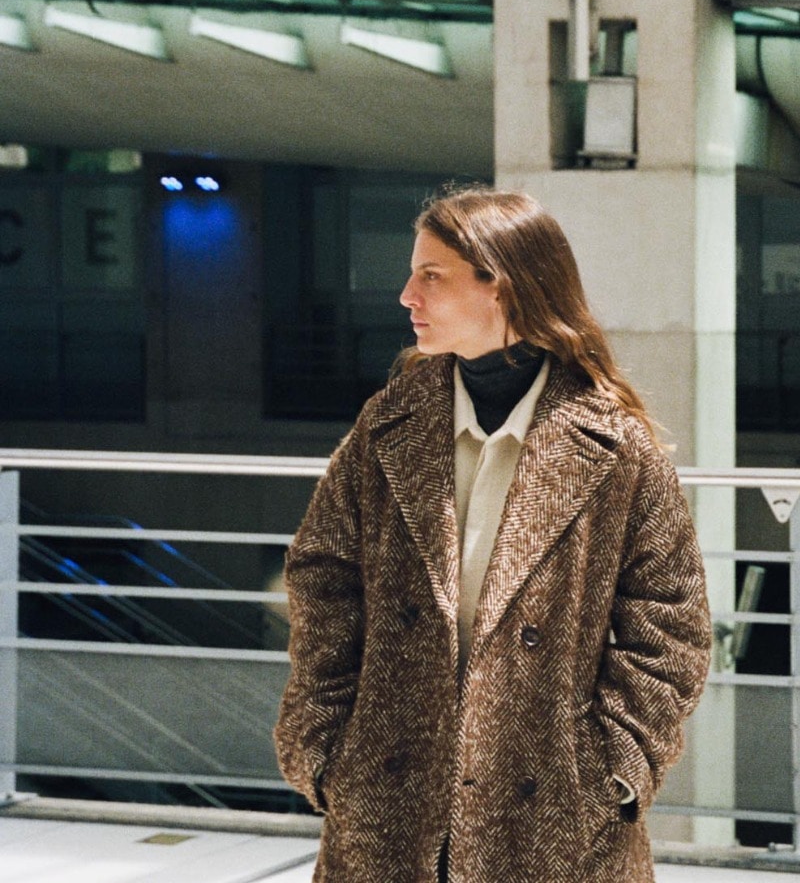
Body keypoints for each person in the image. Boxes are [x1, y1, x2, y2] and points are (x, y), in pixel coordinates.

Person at [274, 186, 712, 883]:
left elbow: (670, 622)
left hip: (558, 818)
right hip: (384, 803)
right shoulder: (387, 427)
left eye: (431, 275)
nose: (406, 295)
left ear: (499, 285)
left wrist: (617, 768)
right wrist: (323, 746)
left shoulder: (616, 448)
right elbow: (322, 578)